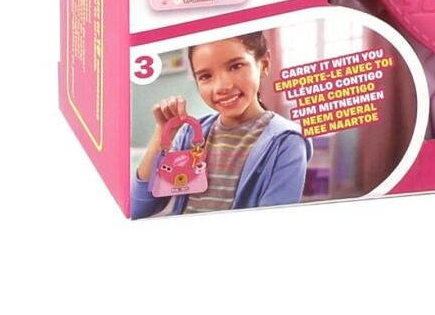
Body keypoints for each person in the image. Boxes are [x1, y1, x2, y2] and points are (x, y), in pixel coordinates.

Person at [132, 32, 311, 218]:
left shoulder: (287, 141)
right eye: (205, 76)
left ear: (264, 64)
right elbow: (138, 208)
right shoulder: (189, 135)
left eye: (235, 66)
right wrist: (162, 132)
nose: (221, 87)